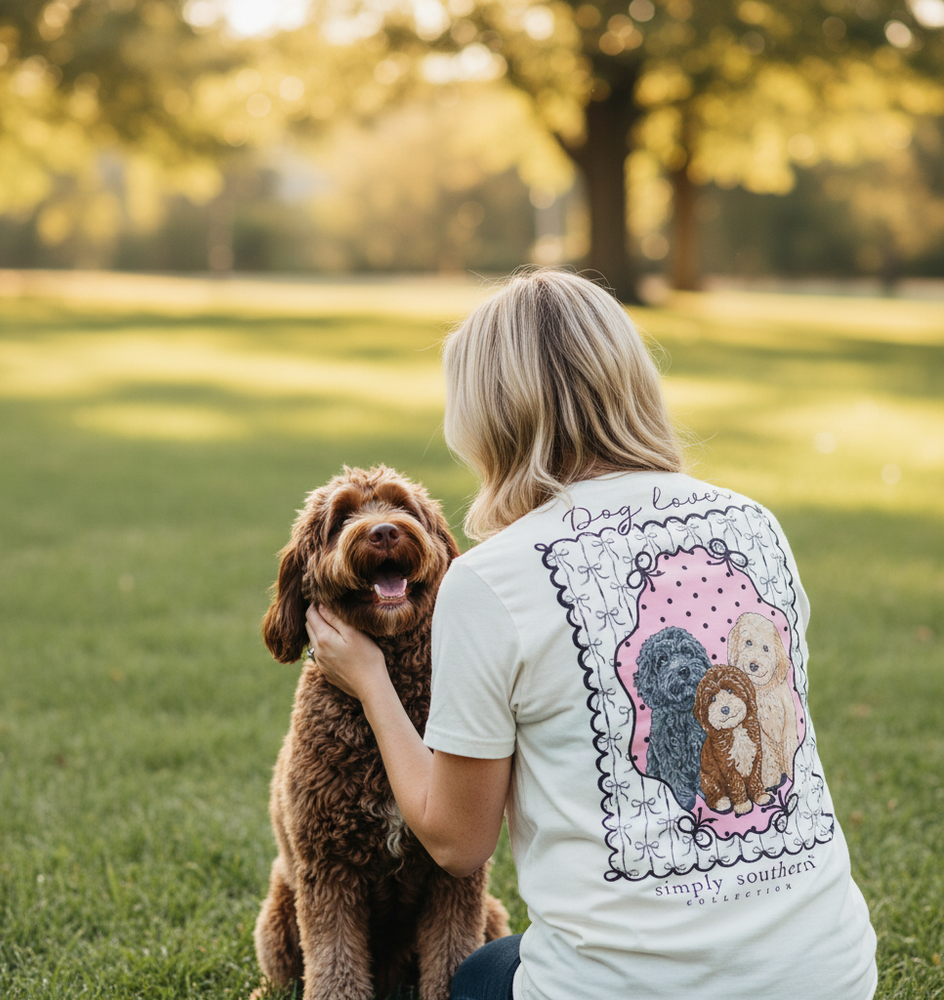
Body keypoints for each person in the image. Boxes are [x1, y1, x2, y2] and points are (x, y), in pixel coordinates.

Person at [304, 268, 877, 1000]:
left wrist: (370, 682)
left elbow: (456, 844)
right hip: (830, 977)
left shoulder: (491, 578)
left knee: (480, 976)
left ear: (487, 416)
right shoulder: (755, 525)